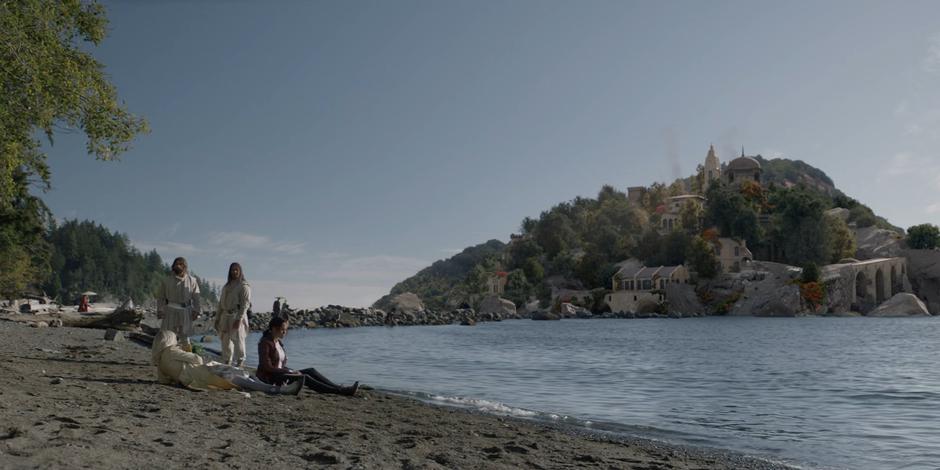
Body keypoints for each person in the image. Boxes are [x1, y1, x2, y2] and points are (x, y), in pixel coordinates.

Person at [151, 330, 302, 394]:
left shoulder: (160, 362)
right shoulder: (171, 351)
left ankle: (272, 387)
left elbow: (163, 380)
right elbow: (197, 359)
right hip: (201, 372)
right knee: (240, 378)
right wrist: (187, 351)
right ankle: (277, 390)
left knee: (241, 378)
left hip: (191, 380)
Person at [256, 316, 359, 396]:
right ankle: (340, 391)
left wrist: (289, 371)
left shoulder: (278, 343)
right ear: (274, 329)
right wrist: (289, 371)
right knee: (304, 377)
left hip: (280, 374)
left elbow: (280, 365)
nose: (285, 332)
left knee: (311, 370)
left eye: (286, 329)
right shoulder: (265, 343)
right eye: (282, 329)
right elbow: (267, 367)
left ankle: (339, 387)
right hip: (269, 377)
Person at [156, 257, 201, 350]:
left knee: (185, 337)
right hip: (170, 310)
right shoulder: (166, 280)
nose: (178, 266)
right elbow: (161, 297)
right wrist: (160, 310)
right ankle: (166, 358)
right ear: (173, 266)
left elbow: (196, 297)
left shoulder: (192, 280)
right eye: (176, 264)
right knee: (168, 336)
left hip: (186, 311)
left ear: (185, 267)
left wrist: (196, 310)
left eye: (181, 264)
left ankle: (188, 357)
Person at [215, 262, 251, 367]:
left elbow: (245, 304)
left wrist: (239, 319)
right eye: (232, 270)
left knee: (239, 341)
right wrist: (217, 319)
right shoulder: (226, 286)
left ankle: (240, 362)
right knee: (225, 341)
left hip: (237, 316)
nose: (234, 272)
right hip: (225, 317)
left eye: (236, 270)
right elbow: (221, 304)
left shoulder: (244, 286)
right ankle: (227, 362)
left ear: (240, 271)